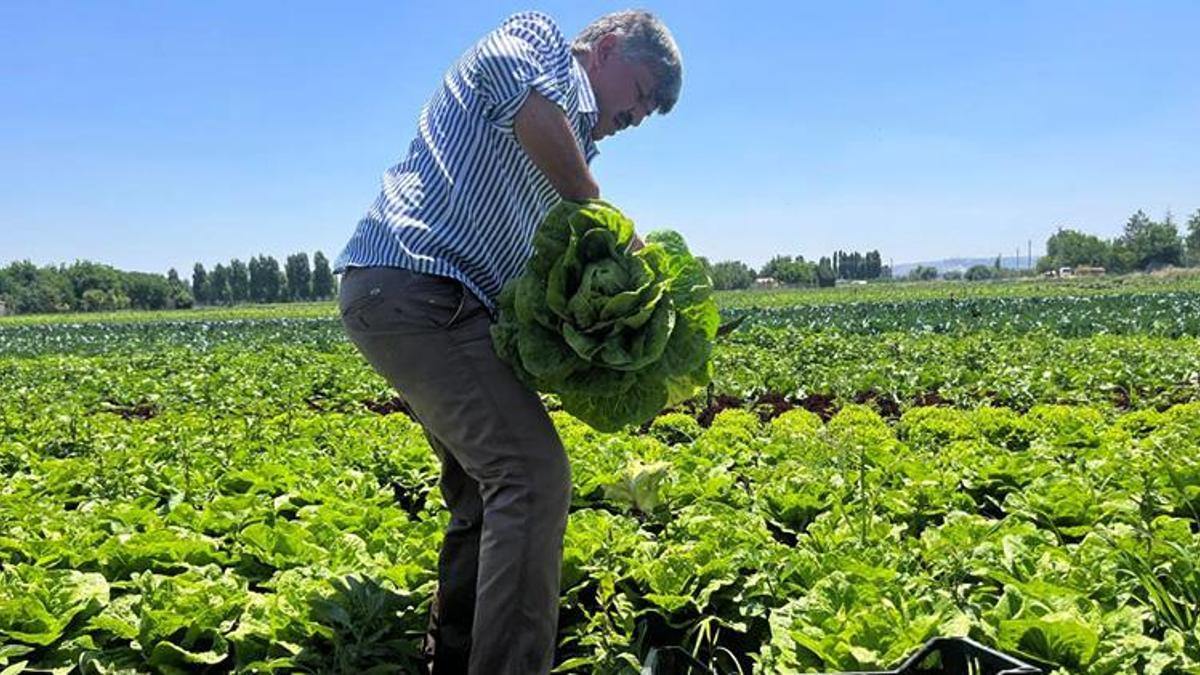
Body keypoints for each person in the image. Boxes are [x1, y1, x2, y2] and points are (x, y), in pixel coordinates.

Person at [333, 9, 682, 674]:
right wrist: (605, 214)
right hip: (415, 285)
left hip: (446, 306)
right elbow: (524, 104)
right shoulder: (536, 40)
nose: (638, 116)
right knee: (532, 473)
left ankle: (457, 655)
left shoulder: (568, 151)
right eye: (640, 96)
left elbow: (535, 288)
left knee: (482, 491)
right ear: (607, 49)